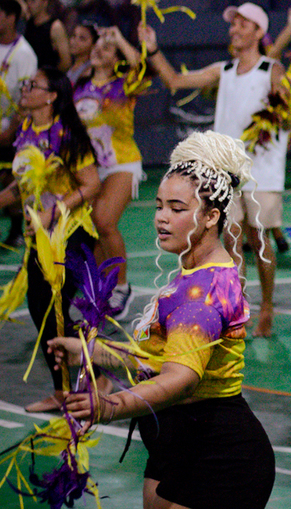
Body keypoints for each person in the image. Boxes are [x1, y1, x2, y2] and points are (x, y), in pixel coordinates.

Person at [49, 131, 276, 509]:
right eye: (159, 206)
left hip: (220, 457)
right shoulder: (196, 271)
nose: (161, 218)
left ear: (211, 216)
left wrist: (112, 406)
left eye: (176, 208)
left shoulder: (202, 293)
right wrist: (91, 350)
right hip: (175, 441)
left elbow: (180, 379)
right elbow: (162, 358)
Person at [141, 3, 286, 338]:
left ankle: (267, 306)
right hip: (226, 170)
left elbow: (285, 107)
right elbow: (175, 81)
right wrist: (153, 49)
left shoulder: (272, 69)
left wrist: (280, 109)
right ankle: (238, 309)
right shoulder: (224, 70)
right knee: (232, 240)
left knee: (260, 239)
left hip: (263, 168)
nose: (234, 29)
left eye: (243, 24)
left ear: (259, 32)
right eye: (233, 24)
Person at [0, 67, 100, 412]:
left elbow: (91, 185)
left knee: (52, 308)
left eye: (33, 85)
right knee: (40, 306)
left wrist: (52, 213)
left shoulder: (67, 134)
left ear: (52, 96)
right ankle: (81, 380)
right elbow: (23, 185)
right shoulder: (27, 131)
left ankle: (74, 387)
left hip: (70, 233)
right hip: (40, 236)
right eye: (25, 84)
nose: (25, 89)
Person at [74, 26, 147, 321]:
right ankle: (102, 289)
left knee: (104, 221)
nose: (98, 50)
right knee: (94, 229)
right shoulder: (79, 87)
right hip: (90, 168)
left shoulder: (123, 85)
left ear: (117, 57)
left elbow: (141, 66)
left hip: (122, 163)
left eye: (106, 48)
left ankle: (122, 287)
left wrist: (118, 38)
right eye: (98, 46)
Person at [0, 0, 38, 246]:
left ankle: (17, 230)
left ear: (11, 17)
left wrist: (11, 130)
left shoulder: (24, 54)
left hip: (11, 127)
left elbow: (27, 98)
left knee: (10, 178)